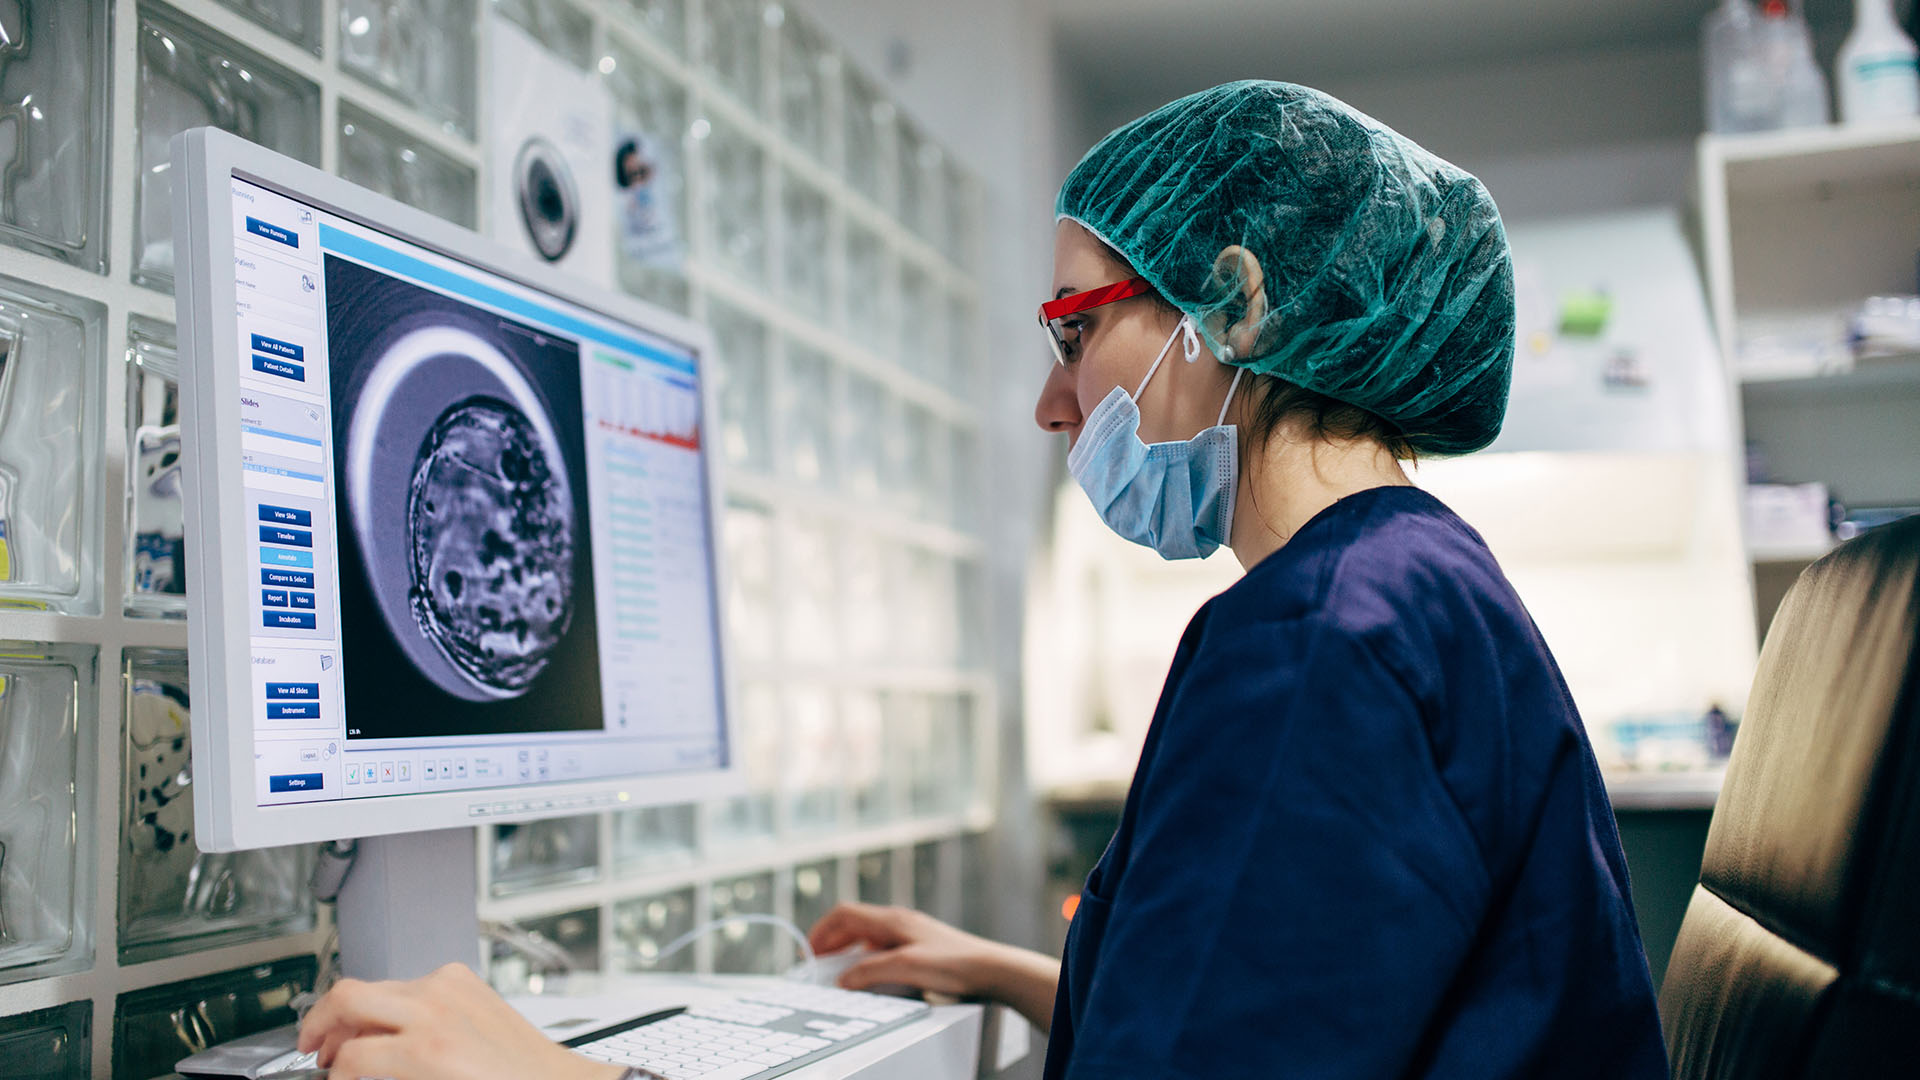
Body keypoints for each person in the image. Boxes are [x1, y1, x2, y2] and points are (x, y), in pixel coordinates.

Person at [296, 80, 1668, 1080]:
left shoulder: (1317, 642)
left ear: (1230, 309)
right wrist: (1017, 972)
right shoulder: (1421, 584)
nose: (1050, 402)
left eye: (1072, 331)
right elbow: (1312, 999)